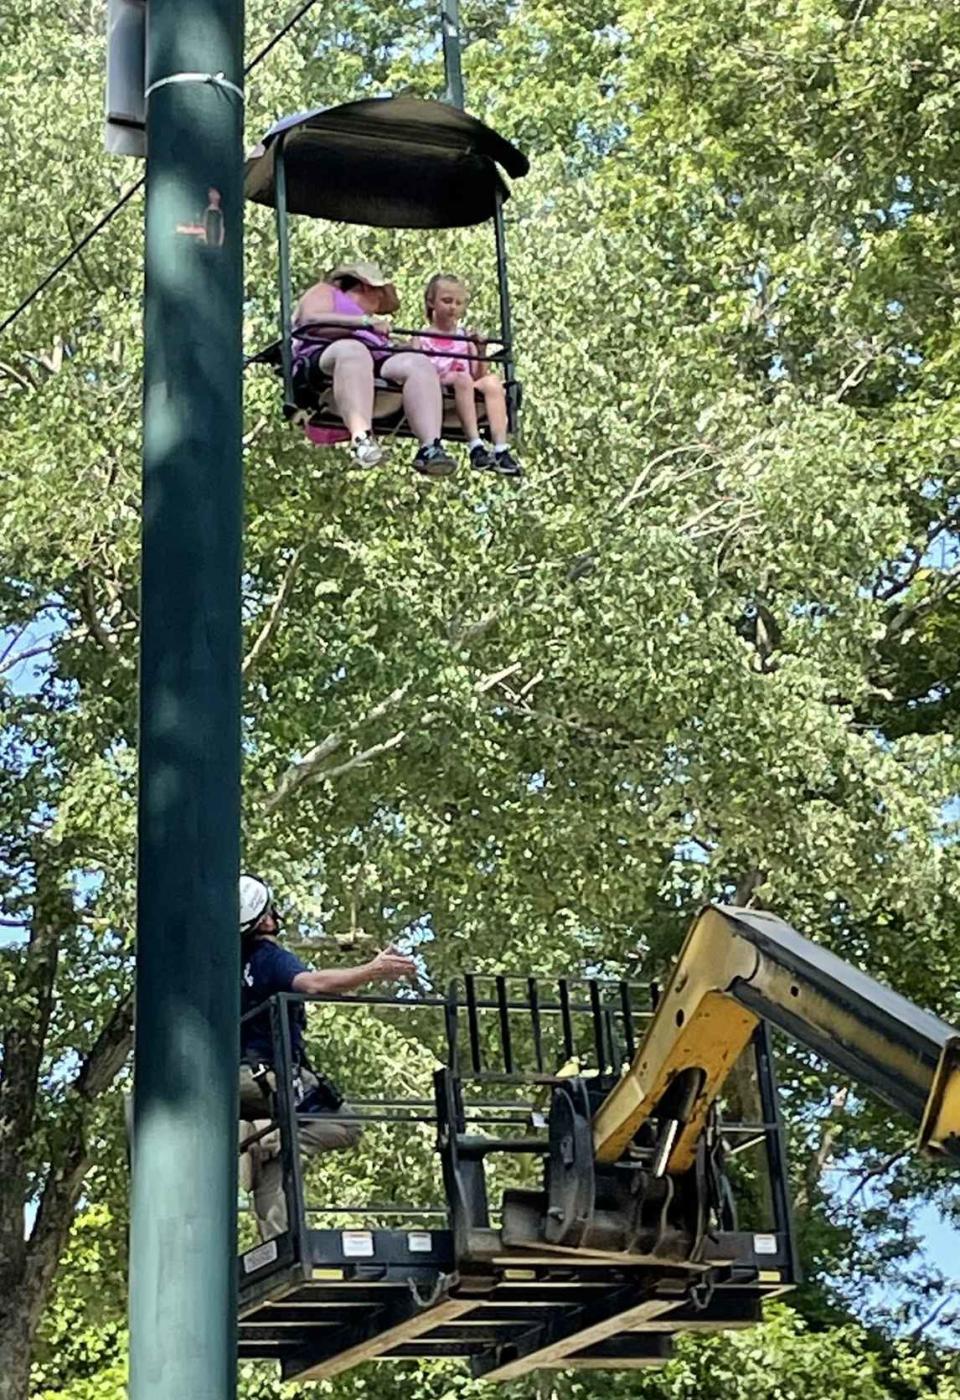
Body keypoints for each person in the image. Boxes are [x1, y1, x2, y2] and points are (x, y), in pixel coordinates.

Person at [238, 874, 417, 1241]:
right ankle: (265, 1140)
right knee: (344, 1124)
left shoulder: (225, 965)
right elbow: (313, 984)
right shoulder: (271, 958)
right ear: (267, 920)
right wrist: (372, 970)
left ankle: (275, 1243)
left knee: (282, 1152)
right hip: (268, 1076)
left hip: (239, 1076)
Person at [293, 260, 458, 478]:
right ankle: (361, 437)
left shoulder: (372, 324)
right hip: (327, 356)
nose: (380, 302)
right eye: (379, 295)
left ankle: (430, 446)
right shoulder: (326, 292)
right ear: (366, 287)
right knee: (354, 351)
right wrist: (363, 322)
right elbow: (311, 319)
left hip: (375, 361)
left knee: (418, 363)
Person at [415, 273, 521, 477]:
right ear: (431, 302)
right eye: (446, 301)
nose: (452, 307)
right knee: (461, 378)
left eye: (458, 302)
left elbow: (478, 373)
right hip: (439, 389)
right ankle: (475, 444)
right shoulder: (422, 338)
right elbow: (417, 370)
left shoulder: (465, 339)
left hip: (465, 386)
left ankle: (501, 448)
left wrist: (480, 350)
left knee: (491, 381)